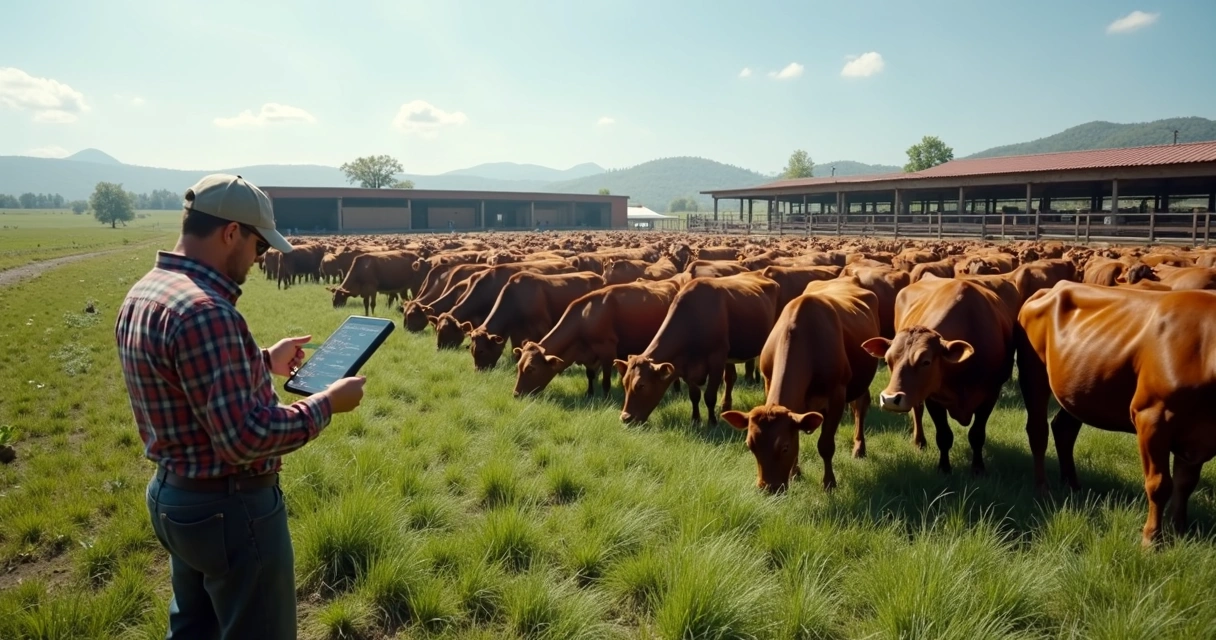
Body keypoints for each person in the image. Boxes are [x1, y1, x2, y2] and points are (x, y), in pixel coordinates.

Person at [114, 174, 366, 639]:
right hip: (229, 508)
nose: (259, 258)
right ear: (231, 232)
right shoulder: (207, 311)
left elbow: (181, 377)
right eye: (259, 246)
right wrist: (327, 403)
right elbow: (247, 438)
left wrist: (260, 360)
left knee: (193, 629)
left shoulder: (147, 292)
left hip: (174, 498)